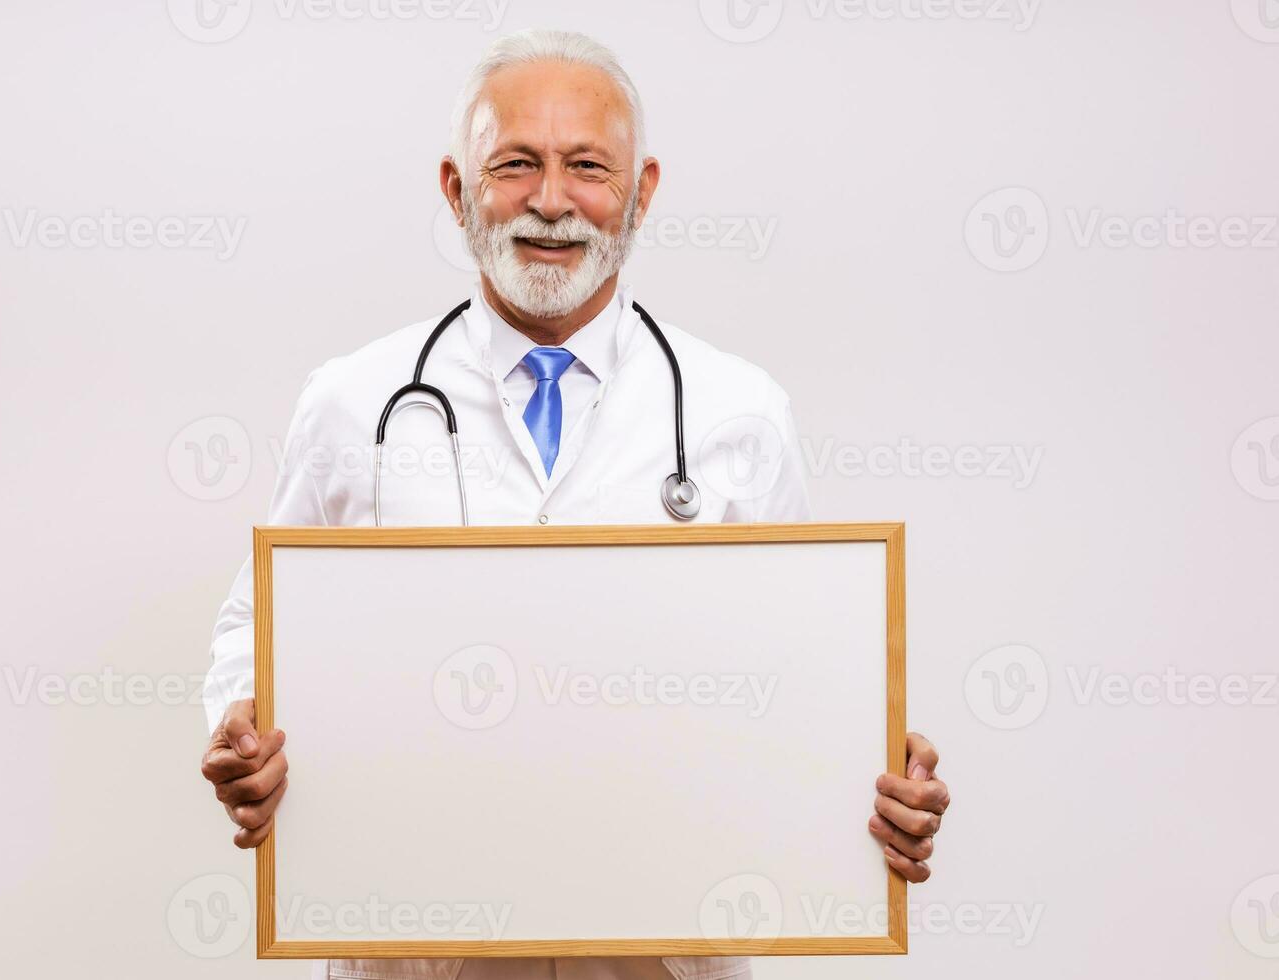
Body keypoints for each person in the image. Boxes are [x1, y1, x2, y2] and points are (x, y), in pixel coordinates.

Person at [200, 28, 950, 980]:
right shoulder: (355, 401)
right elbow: (255, 617)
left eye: (587, 166)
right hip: (419, 935)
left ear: (640, 193)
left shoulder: (738, 411)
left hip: (662, 938)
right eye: (515, 164)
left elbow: (804, 668)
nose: (551, 201)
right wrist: (238, 722)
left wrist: (877, 769)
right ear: (455, 188)